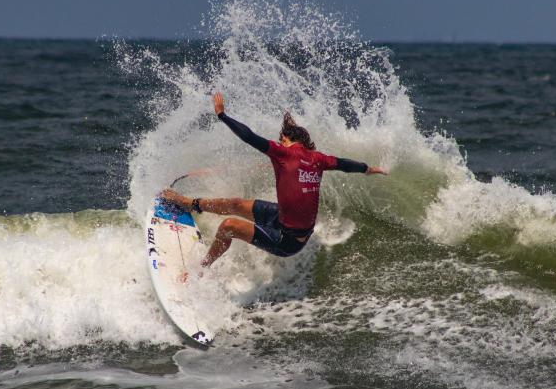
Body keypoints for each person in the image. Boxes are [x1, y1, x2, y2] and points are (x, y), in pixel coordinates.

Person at [161, 92, 387, 267]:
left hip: (287, 241)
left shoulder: (283, 152)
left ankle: (201, 269)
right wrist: (367, 169)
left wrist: (222, 115)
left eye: (281, 140)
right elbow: (345, 164)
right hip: (282, 218)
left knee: (229, 226)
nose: (279, 143)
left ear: (286, 139)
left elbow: (249, 137)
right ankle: (189, 204)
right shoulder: (320, 159)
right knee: (236, 204)